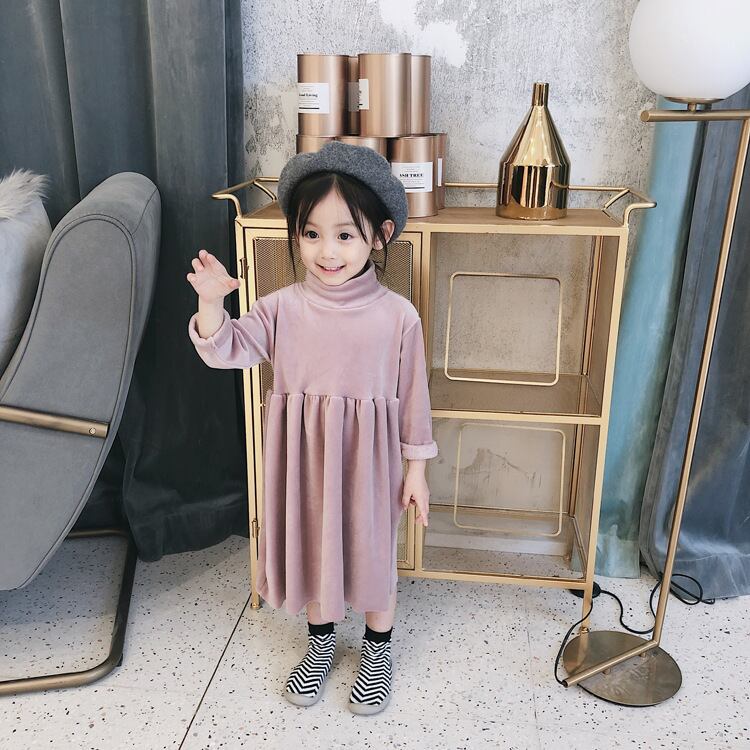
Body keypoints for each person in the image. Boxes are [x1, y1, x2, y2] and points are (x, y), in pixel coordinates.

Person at [186, 141, 438, 715]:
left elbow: (414, 401)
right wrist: (210, 305)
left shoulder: (398, 316)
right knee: (316, 547)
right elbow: (226, 349)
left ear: (380, 236)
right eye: (311, 233)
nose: (327, 251)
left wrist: (417, 471)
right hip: (302, 463)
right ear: (296, 235)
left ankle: (377, 650)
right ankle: (321, 643)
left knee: (373, 551)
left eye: (345, 235)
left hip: (372, 464)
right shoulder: (281, 307)